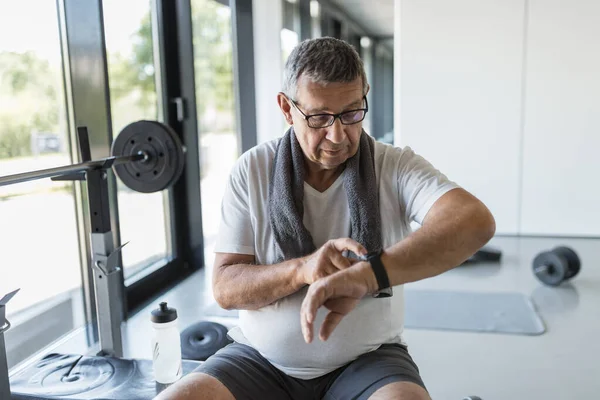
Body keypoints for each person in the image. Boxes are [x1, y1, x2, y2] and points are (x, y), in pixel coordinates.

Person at [157, 37, 495, 400]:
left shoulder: (394, 165)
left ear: (364, 95)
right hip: (259, 361)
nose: (338, 135)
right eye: (319, 117)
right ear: (287, 109)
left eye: (351, 113)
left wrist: (368, 275)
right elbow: (225, 288)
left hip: (370, 360)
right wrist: (302, 270)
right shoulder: (252, 169)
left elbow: (474, 221)